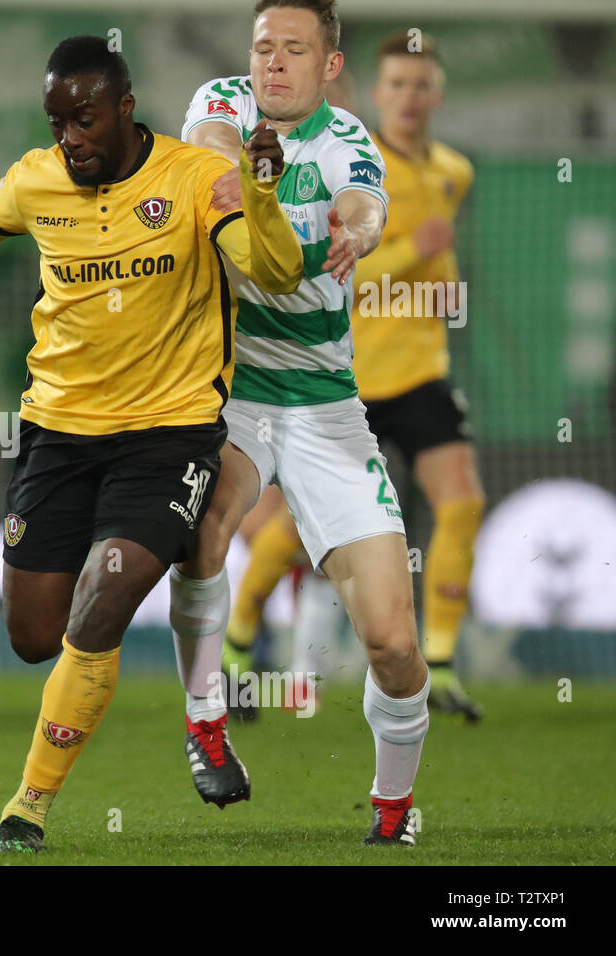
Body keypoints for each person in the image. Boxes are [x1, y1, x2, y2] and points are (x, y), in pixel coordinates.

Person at [0, 36, 303, 852]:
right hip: (58, 433)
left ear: (123, 109)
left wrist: (260, 194)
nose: (68, 137)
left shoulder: (189, 180)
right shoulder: (38, 179)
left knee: (105, 600)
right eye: (56, 121)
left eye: (82, 119)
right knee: (35, 636)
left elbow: (274, 272)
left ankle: (27, 806)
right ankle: (115, 670)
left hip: (167, 435)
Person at [175, 0, 430, 845]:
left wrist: (354, 231)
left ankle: (392, 812)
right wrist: (248, 168)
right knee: (203, 524)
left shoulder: (349, 138)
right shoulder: (221, 103)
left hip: (326, 409)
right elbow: (211, 157)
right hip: (233, 391)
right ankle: (206, 717)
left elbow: (365, 204)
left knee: (394, 642)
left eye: (293, 50)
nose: (272, 63)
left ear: (328, 64)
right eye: (263, 47)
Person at [223, 30, 483, 723]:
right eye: (396, 84)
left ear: (438, 95)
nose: (409, 97)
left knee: (460, 502)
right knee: (298, 530)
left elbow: (435, 269)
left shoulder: (455, 170)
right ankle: (240, 641)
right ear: (376, 92)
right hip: (352, 372)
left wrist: (443, 284)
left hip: (421, 370)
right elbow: (341, 263)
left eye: (421, 84)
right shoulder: (349, 157)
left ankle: (446, 660)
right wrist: (406, 250)